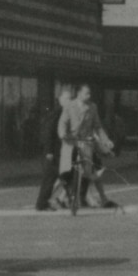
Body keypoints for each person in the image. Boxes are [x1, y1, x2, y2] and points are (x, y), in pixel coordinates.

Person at [56, 84, 117, 213]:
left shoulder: (92, 107)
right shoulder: (69, 106)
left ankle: (71, 197)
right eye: (86, 93)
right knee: (67, 170)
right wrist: (62, 133)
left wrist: (106, 141)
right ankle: (64, 197)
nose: (89, 96)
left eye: (89, 94)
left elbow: (98, 126)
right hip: (70, 142)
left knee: (88, 171)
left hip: (85, 143)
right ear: (79, 93)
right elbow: (63, 122)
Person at [35, 84, 76, 212]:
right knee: (50, 179)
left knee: (67, 177)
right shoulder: (56, 114)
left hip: (62, 153)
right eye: (66, 98)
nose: (68, 101)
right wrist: (49, 151)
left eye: (70, 99)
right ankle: (42, 204)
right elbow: (48, 133)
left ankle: (67, 201)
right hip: (53, 153)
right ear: (60, 100)